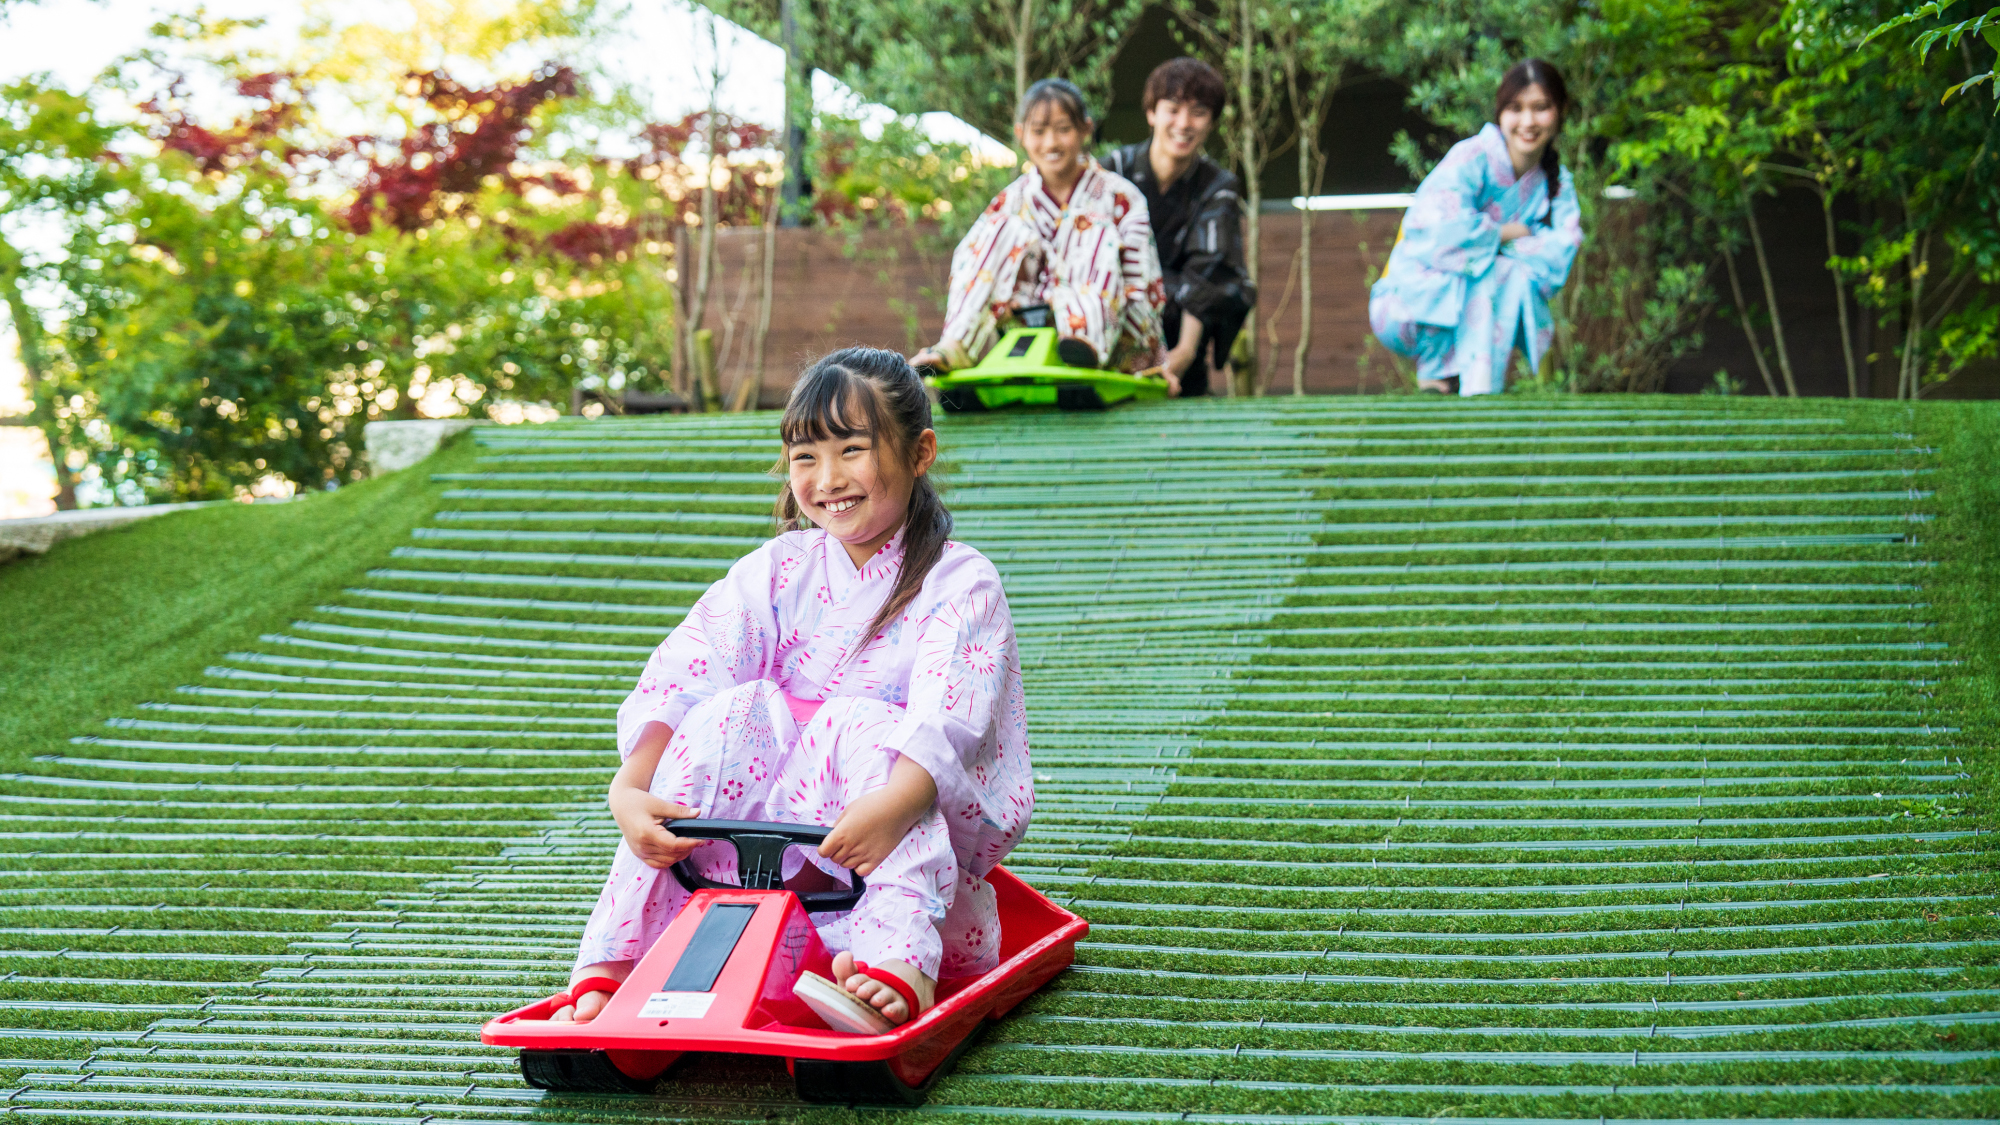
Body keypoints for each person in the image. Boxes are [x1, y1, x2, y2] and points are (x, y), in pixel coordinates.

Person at [555, 347, 1033, 1030]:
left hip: (884, 843)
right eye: (806, 455)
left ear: (920, 450)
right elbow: (687, 668)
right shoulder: (778, 568)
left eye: (852, 449)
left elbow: (946, 720)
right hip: (754, 850)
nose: (828, 478)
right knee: (728, 714)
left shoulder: (959, 582)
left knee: (863, 727)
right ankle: (629, 960)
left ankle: (893, 965)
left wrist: (895, 805)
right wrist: (629, 788)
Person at [912, 79, 1164, 375]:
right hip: (1026, 328)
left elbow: (1139, 282)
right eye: (1039, 131)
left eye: (1063, 129)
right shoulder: (1011, 201)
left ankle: (1084, 339)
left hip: (1109, 335)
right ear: (1021, 134)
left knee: (1088, 228)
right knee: (997, 229)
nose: (1051, 143)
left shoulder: (1120, 197)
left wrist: (1144, 351)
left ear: (1085, 129)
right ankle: (958, 343)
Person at [1368, 58, 1584, 396]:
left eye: (1541, 107)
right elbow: (1438, 233)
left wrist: (1488, 244)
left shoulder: (1558, 184)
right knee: (1500, 271)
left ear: (1560, 111)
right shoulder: (1471, 157)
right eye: (1516, 108)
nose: (1528, 121)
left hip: (1483, 311)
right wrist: (1509, 234)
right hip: (1411, 305)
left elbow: (1556, 259)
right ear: (1500, 112)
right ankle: (1465, 384)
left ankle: (1455, 385)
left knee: (1505, 272)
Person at [1102, 57, 1255, 398]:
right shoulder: (1112, 171)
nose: (1184, 123)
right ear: (1151, 113)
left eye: (1198, 112)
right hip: (1108, 334)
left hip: (1183, 340)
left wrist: (1181, 356)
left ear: (1211, 121)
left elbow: (1209, 273)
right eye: (1172, 109)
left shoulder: (1219, 185)